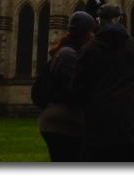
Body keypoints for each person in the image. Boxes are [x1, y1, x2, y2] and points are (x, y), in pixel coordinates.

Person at [71, 2, 134, 162]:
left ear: (98, 21)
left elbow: (76, 88)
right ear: (120, 19)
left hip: (98, 128)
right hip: (128, 126)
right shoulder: (132, 46)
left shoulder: (88, 49)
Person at [37, 10, 96, 162]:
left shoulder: (68, 52)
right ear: (83, 33)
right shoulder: (68, 55)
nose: (93, 35)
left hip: (60, 124)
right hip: (61, 125)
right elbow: (75, 90)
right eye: (91, 31)